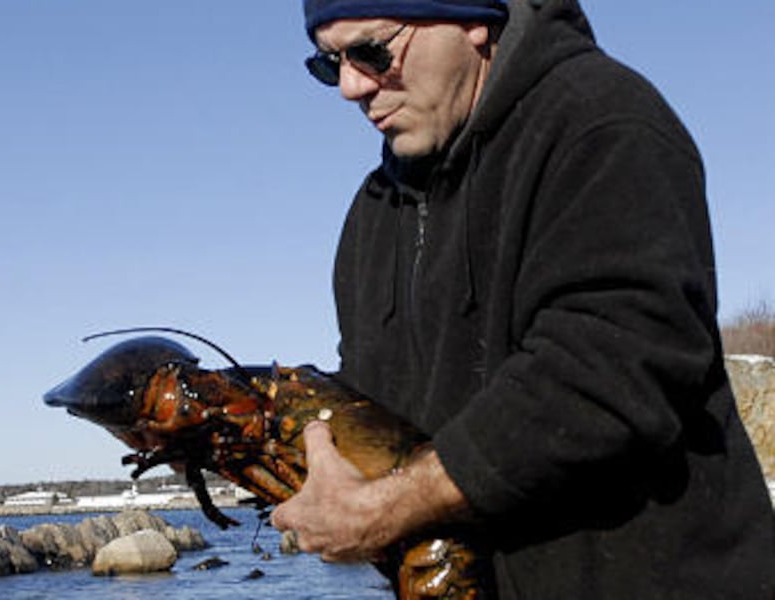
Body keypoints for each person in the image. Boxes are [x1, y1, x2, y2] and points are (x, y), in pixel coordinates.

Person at [272, 0, 775, 597]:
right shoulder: (375, 208)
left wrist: (391, 505)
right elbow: (375, 411)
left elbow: (613, 369)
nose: (352, 87)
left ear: (471, 21)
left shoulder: (601, 123)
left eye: (372, 52)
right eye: (330, 65)